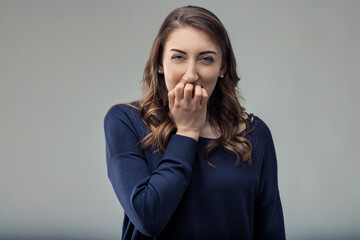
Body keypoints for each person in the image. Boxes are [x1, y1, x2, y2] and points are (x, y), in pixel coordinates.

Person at [104, 5, 286, 240]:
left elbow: (270, 229)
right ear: (160, 62)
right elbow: (148, 217)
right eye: (178, 57)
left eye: (206, 59)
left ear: (222, 67)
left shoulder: (254, 133)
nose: (191, 74)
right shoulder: (125, 121)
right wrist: (188, 131)